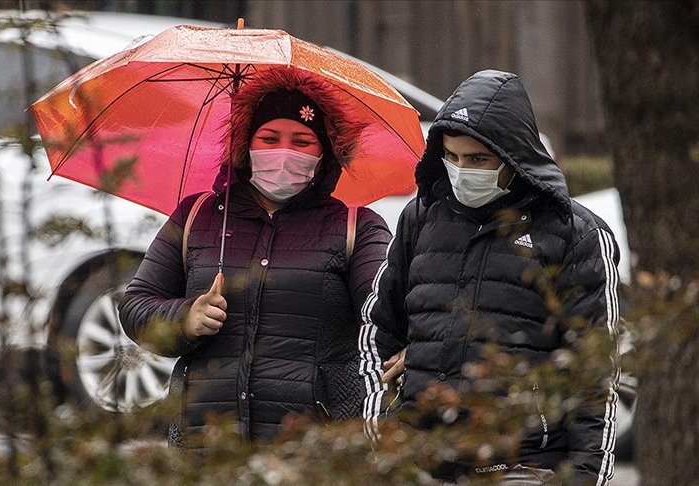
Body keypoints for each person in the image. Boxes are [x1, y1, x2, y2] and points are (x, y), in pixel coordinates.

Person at [358, 70, 621, 485]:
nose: (463, 171)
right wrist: (383, 446)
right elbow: (377, 334)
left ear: (514, 155)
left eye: (479, 159)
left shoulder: (576, 234)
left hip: (527, 468)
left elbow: (595, 379)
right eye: (453, 157)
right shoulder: (420, 217)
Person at [117, 66, 392, 445]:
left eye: (302, 142)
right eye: (269, 137)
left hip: (316, 450)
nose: (283, 152)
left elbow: (387, 315)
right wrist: (185, 317)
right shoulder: (196, 218)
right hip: (206, 444)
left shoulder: (355, 228)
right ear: (245, 146)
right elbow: (135, 307)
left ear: (324, 154)